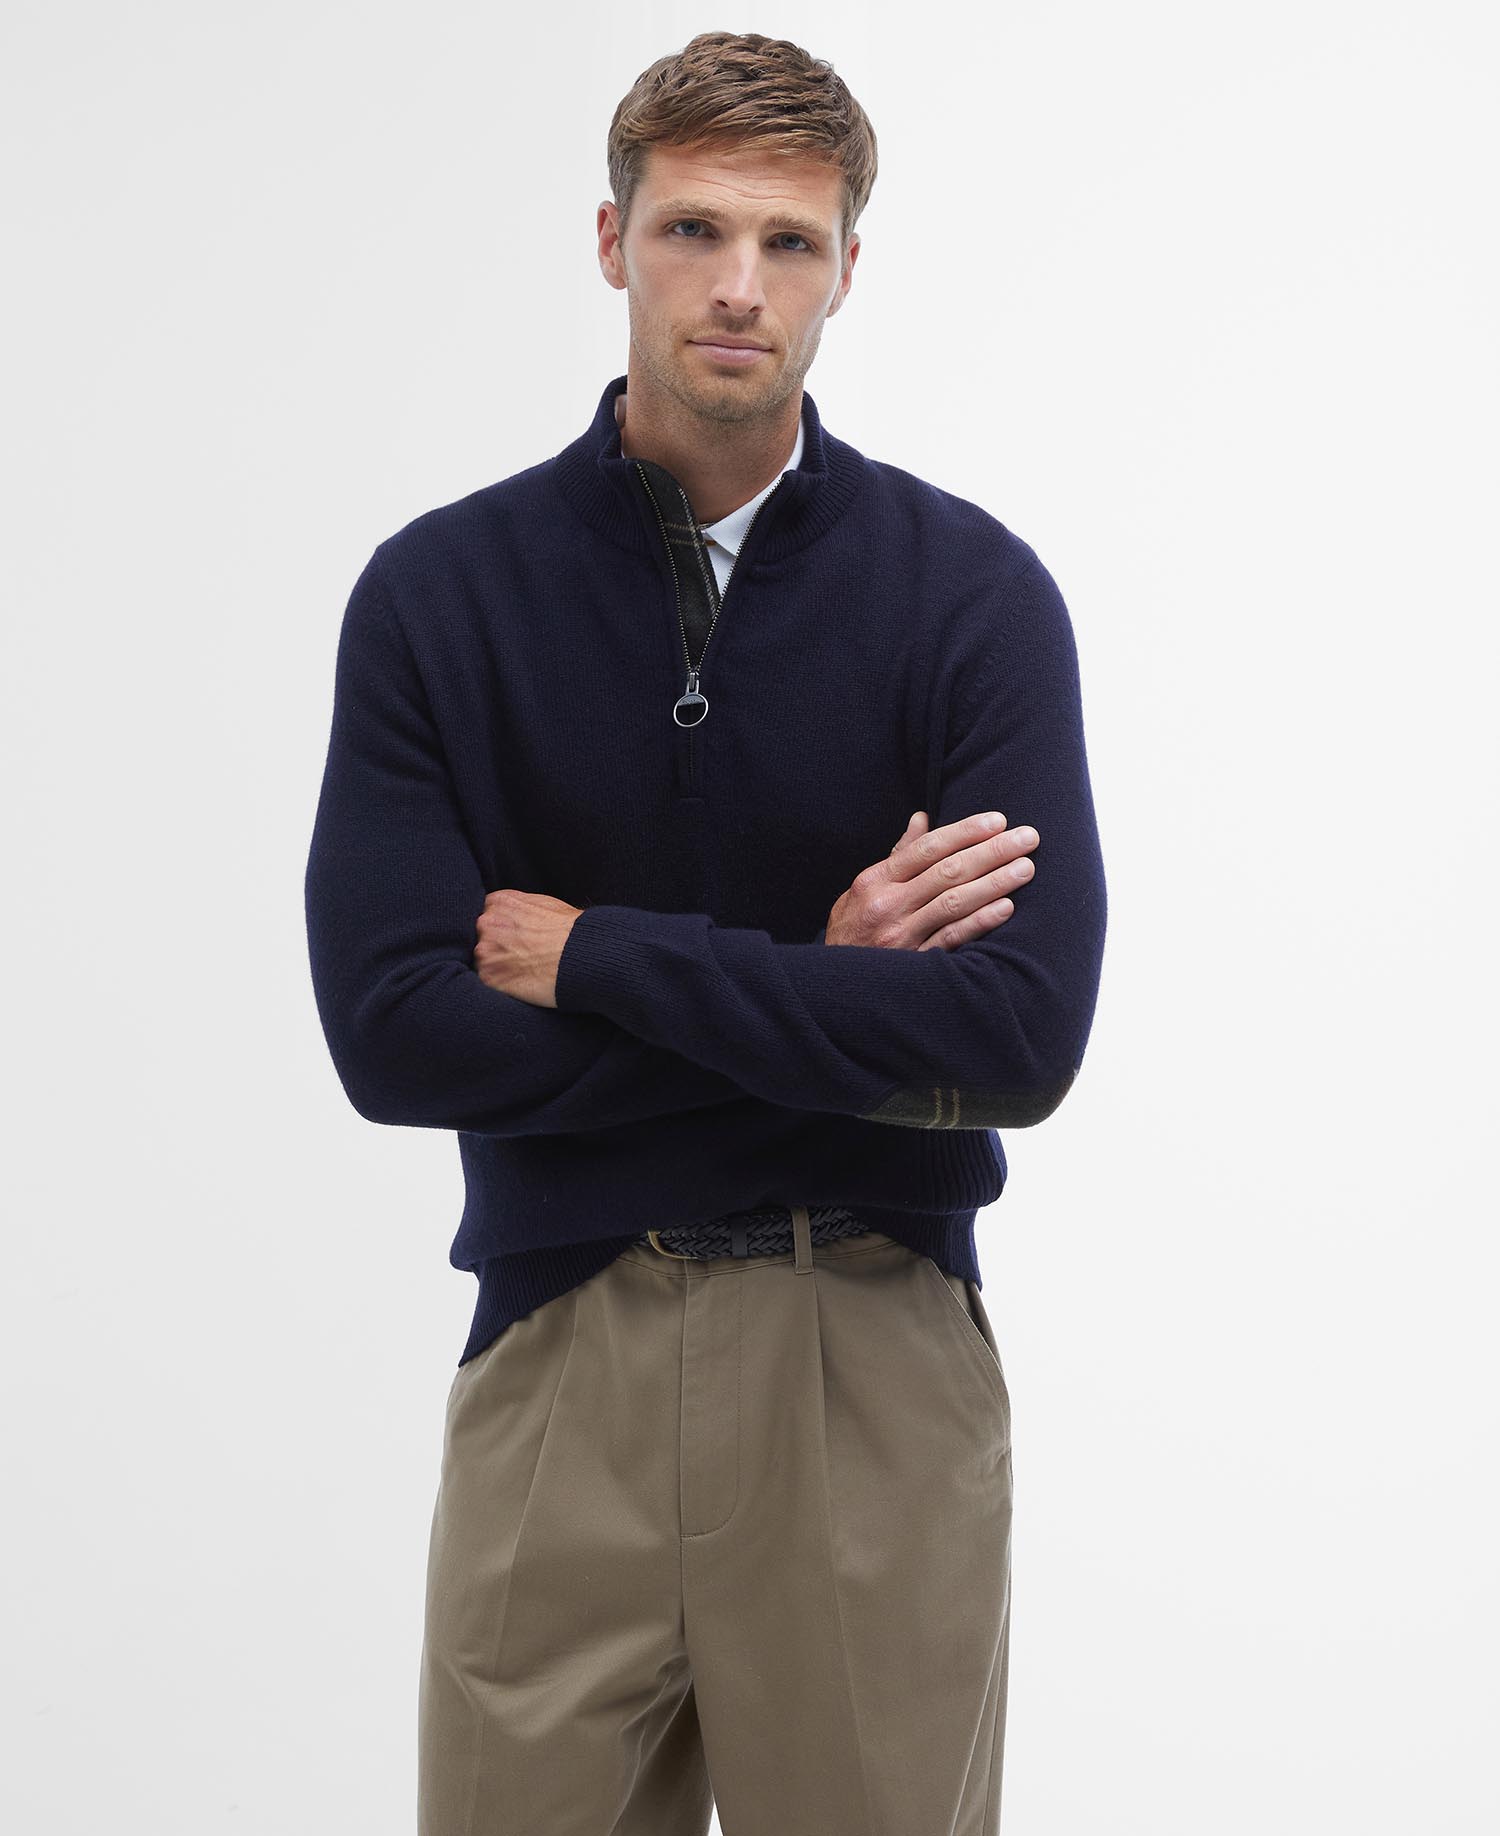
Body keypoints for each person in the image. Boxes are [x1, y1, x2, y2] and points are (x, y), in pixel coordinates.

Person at [304, 28, 1107, 1835]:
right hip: (560, 1340)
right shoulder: (441, 595)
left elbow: (1018, 1042)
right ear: (614, 240)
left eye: (788, 241)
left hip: (869, 1346)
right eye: (693, 231)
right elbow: (396, 1038)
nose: (740, 285)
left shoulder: (970, 599)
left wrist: (599, 957)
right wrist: (825, 997)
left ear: (846, 268)